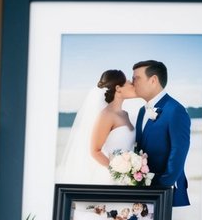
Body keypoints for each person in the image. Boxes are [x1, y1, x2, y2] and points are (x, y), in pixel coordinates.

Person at [56, 69, 137, 185]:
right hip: (113, 178)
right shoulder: (106, 115)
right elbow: (95, 151)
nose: (132, 85)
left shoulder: (125, 114)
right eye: (128, 82)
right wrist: (120, 173)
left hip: (130, 177)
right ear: (118, 88)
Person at [133, 60, 191, 207]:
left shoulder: (175, 110)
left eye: (136, 78)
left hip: (167, 192)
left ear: (153, 80)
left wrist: (163, 184)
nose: (132, 82)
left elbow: (179, 151)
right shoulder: (142, 111)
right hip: (144, 192)